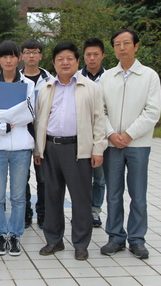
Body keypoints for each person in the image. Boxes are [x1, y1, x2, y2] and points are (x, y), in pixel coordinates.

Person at [33, 42, 107, 261]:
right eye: (60, 59)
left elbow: (99, 120)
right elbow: (39, 120)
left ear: (77, 61)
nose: (65, 63)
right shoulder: (46, 88)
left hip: (78, 149)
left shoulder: (90, 87)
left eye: (69, 59)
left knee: (81, 198)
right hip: (50, 148)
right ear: (54, 63)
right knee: (52, 196)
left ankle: (81, 243)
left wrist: (98, 149)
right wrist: (38, 149)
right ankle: (54, 240)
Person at [100, 29, 161, 260]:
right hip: (112, 145)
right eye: (117, 44)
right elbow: (100, 110)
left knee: (138, 194)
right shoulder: (107, 77)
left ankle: (137, 239)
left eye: (126, 43)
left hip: (138, 145)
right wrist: (111, 134)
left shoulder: (149, 76)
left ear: (136, 46)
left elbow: (152, 111)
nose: (122, 47)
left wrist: (128, 135)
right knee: (113, 194)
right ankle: (115, 236)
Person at [0, 40, 35, 256]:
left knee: (19, 196)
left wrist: (1, 115)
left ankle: (15, 235)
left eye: (12, 56)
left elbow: (29, 113)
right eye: (4, 56)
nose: (8, 60)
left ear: (18, 58)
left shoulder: (28, 84)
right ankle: (0, 235)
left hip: (22, 146)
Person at [20, 38, 53, 229]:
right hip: (23, 130)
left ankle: (43, 212)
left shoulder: (51, 80)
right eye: (27, 52)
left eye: (35, 52)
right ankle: (25, 213)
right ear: (21, 56)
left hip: (44, 132)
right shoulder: (15, 79)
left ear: (41, 55)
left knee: (43, 177)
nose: (31, 55)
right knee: (22, 176)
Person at [80, 38, 107, 228]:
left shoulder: (109, 78)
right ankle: (81, 211)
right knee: (81, 178)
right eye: (88, 54)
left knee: (99, 177)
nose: (92, 58)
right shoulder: (75, 77)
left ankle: (95, 210)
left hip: (101, 135)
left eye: (96, 54)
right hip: (79, 136)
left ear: (102, 55)